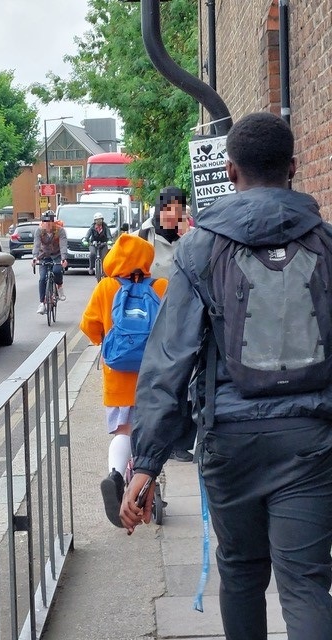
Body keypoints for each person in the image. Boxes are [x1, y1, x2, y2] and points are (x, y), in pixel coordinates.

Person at [120, 112, 332, 640]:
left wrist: (144, 463)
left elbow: (169, 361)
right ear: (294, 165)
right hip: (312, 437)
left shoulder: (199, 248)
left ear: (231, 172)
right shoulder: (326, 244)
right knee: (306, 581)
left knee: (239, 571)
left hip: (230, 439)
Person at [79, 233, 167, 527]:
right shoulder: (161, 286)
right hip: (154, 379)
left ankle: (116, 476)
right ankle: (147, 487)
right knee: (153, 436)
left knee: (123, 433)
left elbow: (88, 325)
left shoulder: (106, 287)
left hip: (118, 381)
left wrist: (103, 344)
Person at [137, 186, 196, 462]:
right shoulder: (144, 236)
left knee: (187, 381)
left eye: (180, 208)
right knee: (159, 383)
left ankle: (181, 442)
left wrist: (189, 235)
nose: (175, 214)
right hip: (151, 319)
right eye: (170, 208)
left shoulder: (192, 236)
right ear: (161, 210)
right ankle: (156, 442)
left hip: (185, 318)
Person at [32, 210, 68, 314]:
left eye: (49, 222)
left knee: (57, 271)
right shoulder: (39, 231)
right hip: (44, 256)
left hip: (57, 255)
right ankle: (42, 303)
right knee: (42, 278)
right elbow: (36, 245)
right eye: (45, 222)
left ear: (53, 222)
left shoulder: (60, 231)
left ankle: (59, 287)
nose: (47, 224)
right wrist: (35, 258)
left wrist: (63, 258)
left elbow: (63, 245)